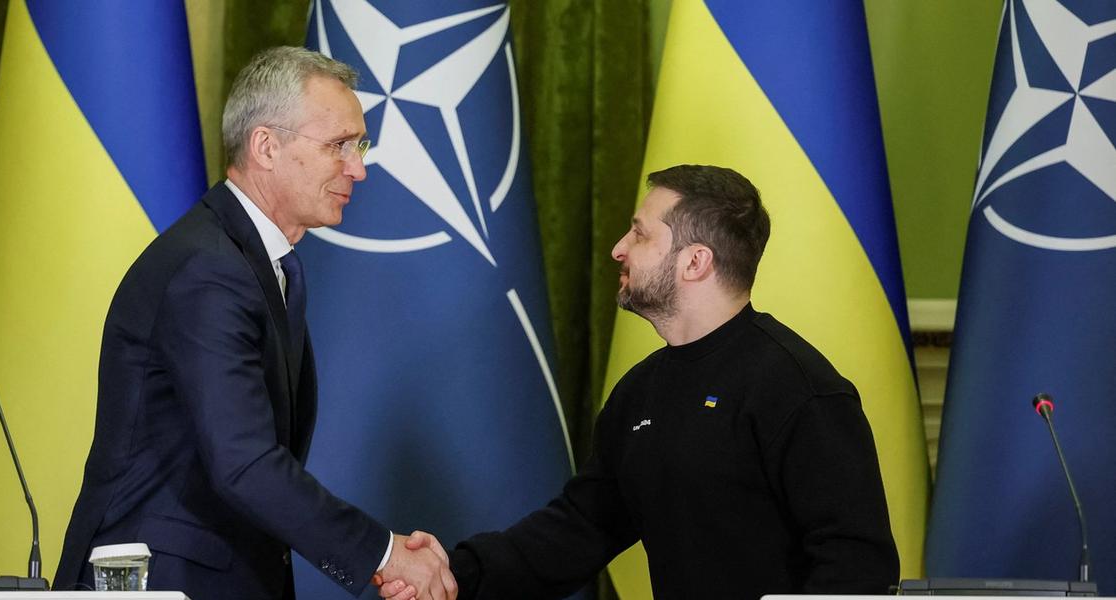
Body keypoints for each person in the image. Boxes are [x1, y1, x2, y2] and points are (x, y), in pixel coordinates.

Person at [381, 164, 899, 600]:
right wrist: (451, 574)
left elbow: (856, 568)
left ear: (696, 261)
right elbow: (580, 528)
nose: (617, 248)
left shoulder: (800, 389)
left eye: (640, 233)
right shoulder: (641, 391)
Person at [53, 47, 456, 600]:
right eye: (339, 145)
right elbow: (243, 463)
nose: (359, 167)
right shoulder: (209, 271)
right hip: (159, 581)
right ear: (267, 146)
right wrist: (381, 554)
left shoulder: (258, 264)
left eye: (358, 146)